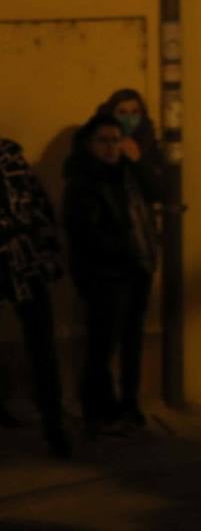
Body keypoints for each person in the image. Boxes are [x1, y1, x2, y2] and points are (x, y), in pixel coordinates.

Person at [62, 114, 160, 436]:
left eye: (115, 140)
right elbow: (83, 230)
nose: (110, 147)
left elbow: (157, 191)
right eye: (103, 140)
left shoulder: (128, 174)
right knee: (103, 344)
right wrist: (118, 252)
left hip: (137, 268)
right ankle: (99, 409)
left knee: (132, 341)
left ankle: (129, 406)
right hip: (106, 273)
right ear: (89, 145)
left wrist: (139, 161)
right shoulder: (83, 180)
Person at [0, 138, 71, 458]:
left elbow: (39, 207)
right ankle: (52, 424)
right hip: (21, 261)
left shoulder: (12, 157)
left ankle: (54, 424)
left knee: (42, 345)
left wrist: (48, 254)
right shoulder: (13, 157)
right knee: (40, 344)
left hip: (25, 263)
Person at [97, 89, 164, 187]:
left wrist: (138, 161)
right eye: (122, 113)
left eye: (135, 112)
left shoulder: (150, 144)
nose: (129, 119)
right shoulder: (95, 142)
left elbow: (159, 192)